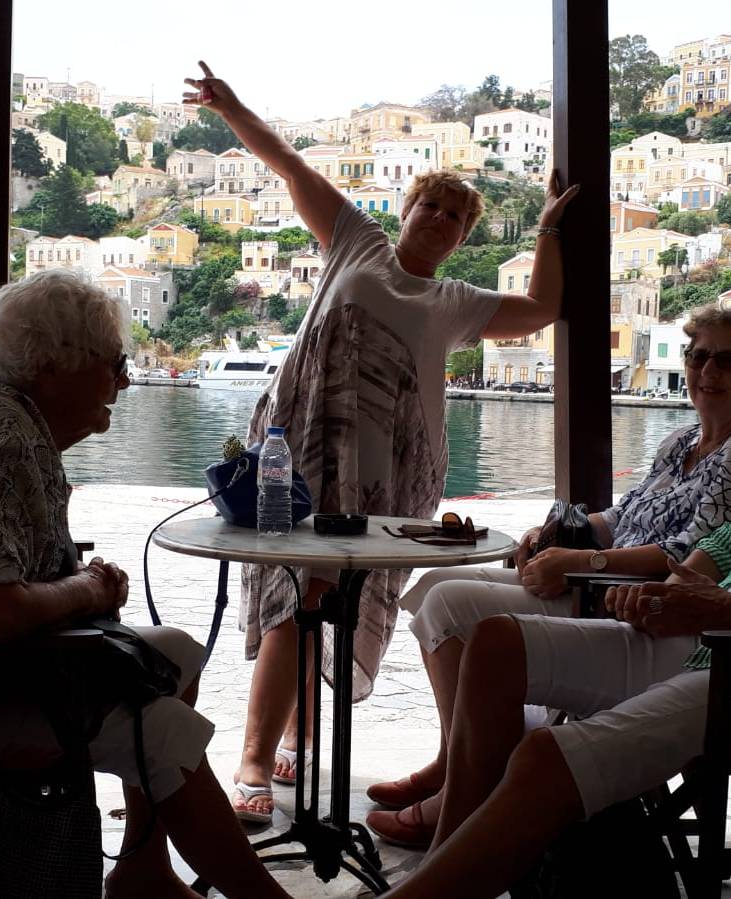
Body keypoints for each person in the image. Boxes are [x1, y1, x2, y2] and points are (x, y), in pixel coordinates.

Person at [183, 60, 579, 821]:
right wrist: (229, 107)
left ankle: (299, 731)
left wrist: (547, 229)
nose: (438, 218)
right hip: (299, 456)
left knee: (336, 601)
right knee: (295, 599)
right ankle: (255, 758)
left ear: (462, 237)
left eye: (454, 216)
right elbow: (287, 163)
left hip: (387, 478)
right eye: (430, 204)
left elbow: (540, 307)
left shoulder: (455, 300)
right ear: (404, 209)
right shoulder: (353, 242)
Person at [0, 270, 290, 899]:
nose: (123, 382)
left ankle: (144, 873)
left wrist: (74, 579)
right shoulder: (2, 437)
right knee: (164, 732)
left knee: (177, 653)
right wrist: (89, 591)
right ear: (54, 364)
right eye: (114, 363)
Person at [368, 301, 731, 846]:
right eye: (699, 357)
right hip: (596, 579)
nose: (708, 371)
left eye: (726, 360)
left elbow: (687, 552)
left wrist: (584, 562)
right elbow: (625, 516)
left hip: (615, 595)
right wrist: (560, 532)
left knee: (452, 607)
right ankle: (457, 761)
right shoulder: (680, 441)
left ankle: (472, 781)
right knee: (437, 588)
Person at [380, 524, 731, 899]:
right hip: (693, 640)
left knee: (546, 756)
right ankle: (444, 862)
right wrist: (658, 600)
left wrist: (719, 608)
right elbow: (706, 558)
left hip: (722, 655)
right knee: (496, 646)